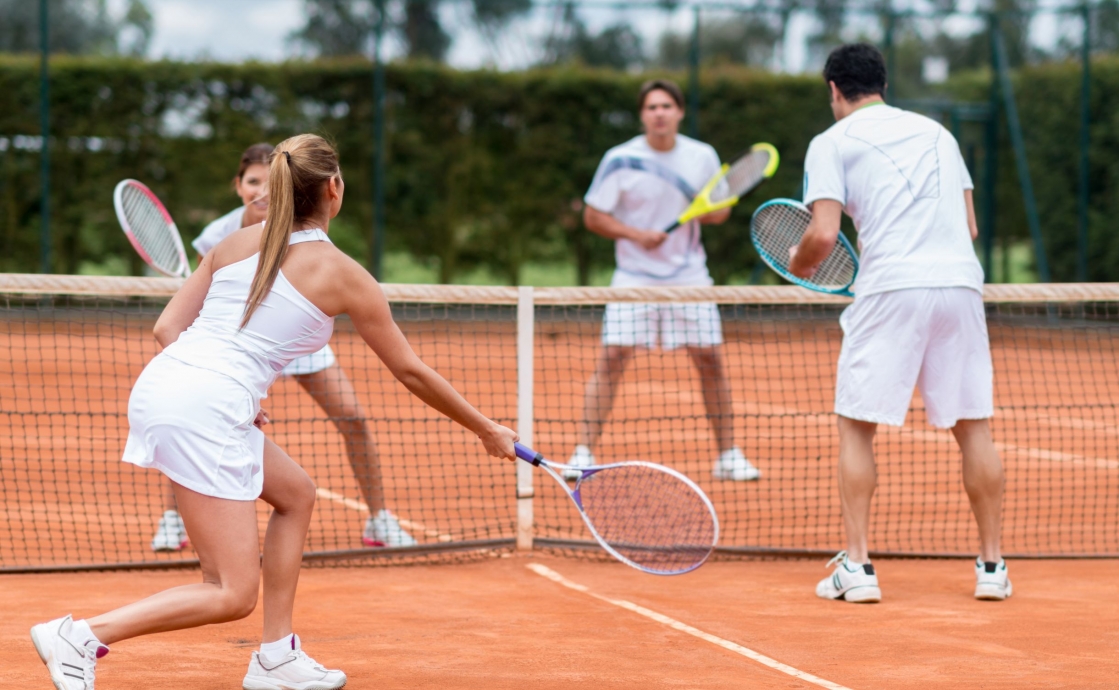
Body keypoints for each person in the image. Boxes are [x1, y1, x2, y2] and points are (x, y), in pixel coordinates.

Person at [31, 134, 519, 689]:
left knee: (296, 494)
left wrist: (230, 393)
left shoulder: (235, 243)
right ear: (334, 188)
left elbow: (167, 329)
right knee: (230, 592)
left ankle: (276, 657)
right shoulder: (344, 274)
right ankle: (82, 635)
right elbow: (409, 371)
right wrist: (486, 428)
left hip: (174, 388)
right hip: (203, 406)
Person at [789, 44, 1009, 603]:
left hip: (890, 289)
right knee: (974, 425)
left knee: (857, 426)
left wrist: (796, 263)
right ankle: (992, 567)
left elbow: (820, 235)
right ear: (882, 84)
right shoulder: (939, 134)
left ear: (834, 90)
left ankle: (858, 566)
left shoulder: (829, 142)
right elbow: (970, 225)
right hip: (960, 285)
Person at [151, 142, 417, 553]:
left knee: (353, 417)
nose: (261, 191)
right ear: (238, 186)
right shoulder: (220, 237)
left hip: (298, 332)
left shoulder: (315, 245)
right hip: (237, 346)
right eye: (252, 182)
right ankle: (173, 519)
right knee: (198, 422)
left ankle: (380, 517)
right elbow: (198, 308)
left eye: (268, 181)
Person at [567, 78, 760, 482]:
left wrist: (705, 211)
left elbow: (720, 212)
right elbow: (593, 216)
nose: (660, 113)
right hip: (633, 277)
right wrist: (638, 235)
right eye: (652, 107)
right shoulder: (619, 159)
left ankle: (728, 456)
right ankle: (582, 454)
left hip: (689, 275)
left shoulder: (702, 156)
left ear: (679, 112)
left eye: (667, 106)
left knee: (710, 360)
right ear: (642, 115)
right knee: (612, 359)